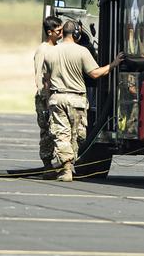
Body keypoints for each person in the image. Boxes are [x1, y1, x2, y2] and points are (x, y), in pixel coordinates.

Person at [43, 20, 123, 182]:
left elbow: (46, 80)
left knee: (61, 134)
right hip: (76, 99)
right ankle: (68, 167)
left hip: (56, 98)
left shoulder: (50, 52)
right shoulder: (82, 51)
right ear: (77, 34)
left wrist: (47, 99)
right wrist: (113, 64)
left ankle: (65, 167)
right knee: (76, 136)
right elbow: (95, 74)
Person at [33, 16, 63, 171]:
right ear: (50, 32)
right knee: (47, 132)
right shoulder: (43, 50)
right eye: (58, 30)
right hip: (45, 96)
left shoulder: (58, 47)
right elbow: (39, 75)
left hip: (57, 94)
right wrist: (44, 96)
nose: (61, 32)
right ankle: (47, 165)